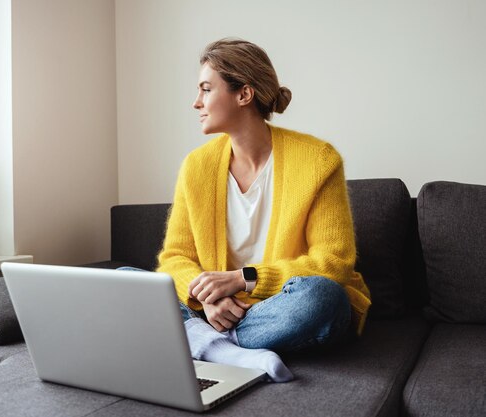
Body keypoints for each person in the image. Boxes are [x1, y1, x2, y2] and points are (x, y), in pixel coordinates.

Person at [155, 38, 372, 382]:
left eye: (206, 89)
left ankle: (203, 343)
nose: (196, 102)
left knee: (322, 297)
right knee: (124, 278)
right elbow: (175, 258)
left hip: (280, 308)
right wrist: (206, 299)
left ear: (244, 94)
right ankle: (226, 349)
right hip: (218, 312)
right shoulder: (196, 166)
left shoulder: (317, 160)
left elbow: (334, 262)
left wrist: (243, 279)